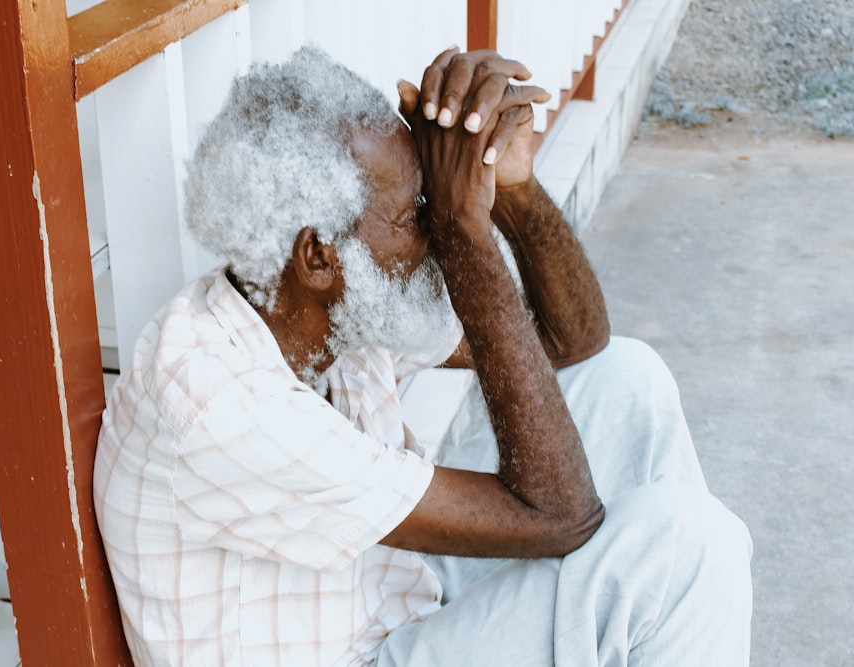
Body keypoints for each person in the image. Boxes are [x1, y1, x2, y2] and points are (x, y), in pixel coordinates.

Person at [93, 45, 753, 666]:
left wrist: (513, 186)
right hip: (358, 651)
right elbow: (560, 514)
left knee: (628, 380)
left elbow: (569, 341)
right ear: (319, 255)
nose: (436, 227)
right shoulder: (221, 404)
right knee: (685, 552)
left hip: (389, 600)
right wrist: (467, 227)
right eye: (417, 212)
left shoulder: (314, 307)